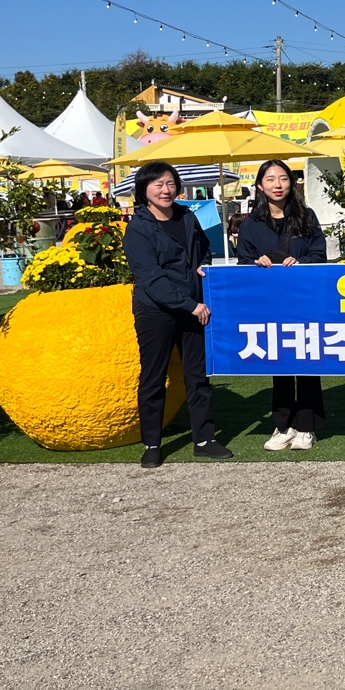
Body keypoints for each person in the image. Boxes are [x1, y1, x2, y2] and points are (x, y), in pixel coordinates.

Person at [122, 160, 231, 468]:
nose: (166, 190)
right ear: (144, 190)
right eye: (158, 184)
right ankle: (152, 443)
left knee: (198, 376)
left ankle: (204, 439)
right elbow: (151, 278)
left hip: (193, 308)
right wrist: (190, 304)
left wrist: (202, 265)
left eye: (170, 183)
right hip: (156, 312)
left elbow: (204, 248)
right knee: (153, 378)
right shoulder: (138, 228)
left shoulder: (186, 216)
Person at [236, 160, 328, 451]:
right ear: (260, 185)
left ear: (292, 183)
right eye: (271, 179)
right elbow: (243, 263)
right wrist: (256, 263)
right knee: (280, 363)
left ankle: (307, 427)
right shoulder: (251, 224)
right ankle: (283, 425)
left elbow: (319, 254)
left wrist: (302, 262)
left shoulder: (306, 217)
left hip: (305, 301)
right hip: (271, 305)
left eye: (283, 178)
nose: (278, 184)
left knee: (307, 362)